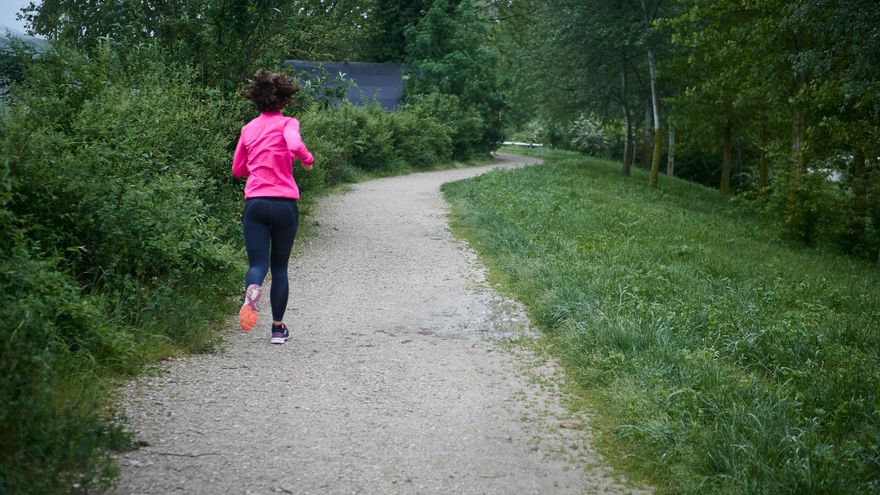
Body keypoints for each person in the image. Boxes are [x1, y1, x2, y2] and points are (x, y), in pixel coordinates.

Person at [232, 70, 314, 344]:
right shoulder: (288, 123)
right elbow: (293, 143)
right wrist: (307, 159)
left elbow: (237, 169)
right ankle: (278, 329)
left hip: (255, 203)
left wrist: (255, 166)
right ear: (284, 99)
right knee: (280, 268)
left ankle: (252, 288)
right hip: (284, 205)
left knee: (258, 264)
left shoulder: (248, 129)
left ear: (256, 100)